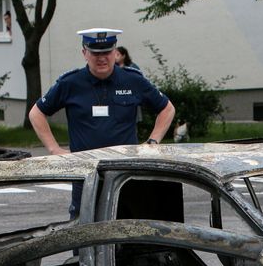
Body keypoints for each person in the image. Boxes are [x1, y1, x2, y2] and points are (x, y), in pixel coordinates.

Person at [28, 28, 176, 217]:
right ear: (84, 53)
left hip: (125, 175)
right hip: (87, 176)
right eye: (95, 53)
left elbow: (167, 108)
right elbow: (36, 113)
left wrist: (152, 143)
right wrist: (54, 149)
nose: (101, 58)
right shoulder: (70, 84)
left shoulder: (132, 80)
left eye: (106, 52)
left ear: (115, 52)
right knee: (84, 233)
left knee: (128, 231)